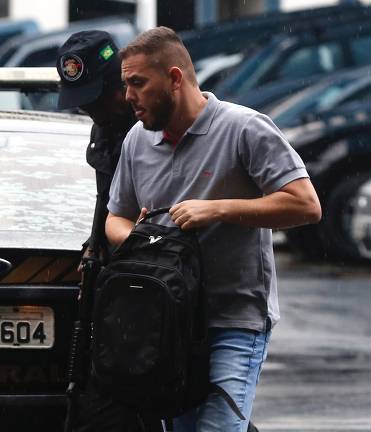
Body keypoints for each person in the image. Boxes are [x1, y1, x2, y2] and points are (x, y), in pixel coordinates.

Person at [105, 26, 322, 432]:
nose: (128, 96)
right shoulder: (137, 140)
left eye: (137, 83)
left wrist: (219, 209)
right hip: (168, 324)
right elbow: (116, 218)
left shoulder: (245, 128)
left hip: (234, 318)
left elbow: (306, 205)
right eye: (125, 84)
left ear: (174, 78)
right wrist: (137, 238)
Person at [56, 30, 161, 432]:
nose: (91, 111)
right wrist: (94, 247)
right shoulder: (105, 125)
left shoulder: (157, 122)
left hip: (160, 284)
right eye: (83, 103)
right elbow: (107, 202)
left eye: (98, 98)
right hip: (117, 286)